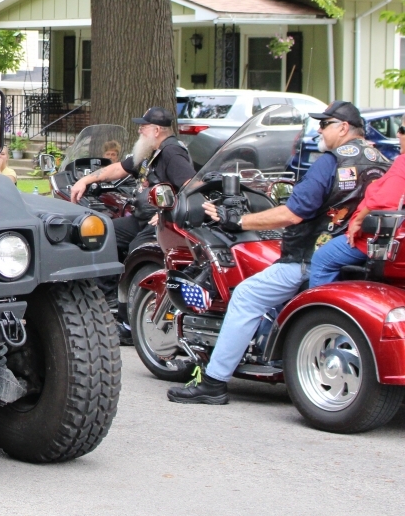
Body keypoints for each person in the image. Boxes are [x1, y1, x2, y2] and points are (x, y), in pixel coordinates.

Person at [168, 101, 389, 405]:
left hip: (308, 256)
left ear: (343, 127)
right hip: (359, 256)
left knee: (246, 296)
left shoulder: (331, 162)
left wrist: (238, 220)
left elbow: (292, 214)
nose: (319, 130)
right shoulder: (381, 160)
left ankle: (213, 382)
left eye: (324, 124)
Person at [70, 106, 195, 340]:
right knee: (103, 233)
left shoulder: (172, 153)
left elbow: (191, 186)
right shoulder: (151, 152)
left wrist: (169, 210)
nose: (139, 130)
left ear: (156, 130)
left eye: (143, 127)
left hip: (162, 223)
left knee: (138, 252)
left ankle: (129, 323)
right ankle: (106, 300)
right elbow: (119, 168)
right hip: (140, 218)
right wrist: (85, 180)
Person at [309, 147, 405, 286]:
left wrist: (359, 221)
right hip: (394, 241)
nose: (399, 136)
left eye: (402, 134)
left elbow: (385, 200)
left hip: (384, 241)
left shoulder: (403, 161)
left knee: (322, 257)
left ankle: (320, 300)